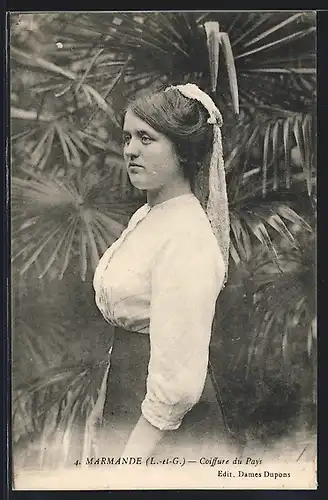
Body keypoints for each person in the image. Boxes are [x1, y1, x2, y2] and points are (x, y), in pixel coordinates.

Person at [93, 83, 230, 460]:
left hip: (163, 428)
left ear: (183, 152)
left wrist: (132, 458)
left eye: (146, 138)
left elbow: (178, 379)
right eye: (127, 138)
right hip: (128, 390)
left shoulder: (186, 236)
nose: (131, 150)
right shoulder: (149, 216)